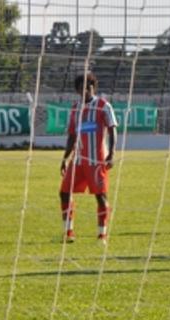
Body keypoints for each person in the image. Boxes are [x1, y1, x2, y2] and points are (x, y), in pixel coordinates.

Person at [59, 73, 117, 243]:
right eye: (81, 88)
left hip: (97, 161)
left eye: (88, 87)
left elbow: (113, 129)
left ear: (93, 88)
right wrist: (64, 158)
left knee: (100, 196)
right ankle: (68, 233)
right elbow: (72, 135)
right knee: (64, 193)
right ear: (77, 90)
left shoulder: (103, 106)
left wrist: (112, 154)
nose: (85, 91)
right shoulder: (75, 107)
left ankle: (102, 235)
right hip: (78, 160)